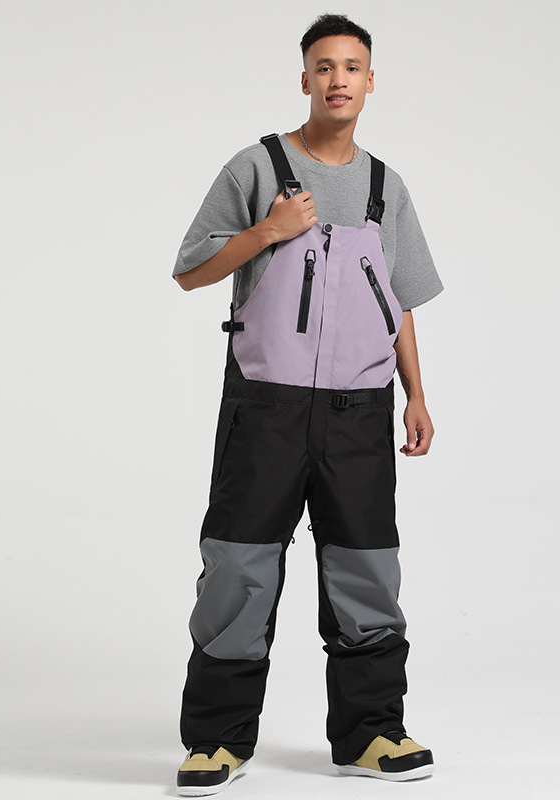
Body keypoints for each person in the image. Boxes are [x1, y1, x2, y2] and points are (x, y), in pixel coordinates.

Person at [170, 14, 443, 796]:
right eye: (324, 66)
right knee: (239, 569)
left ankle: (372, 732)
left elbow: (400, 299)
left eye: (352, 67)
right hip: (267, 406)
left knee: (366, 569)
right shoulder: (256, 167)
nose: (338, 80)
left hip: (361, 408)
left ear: (369, 81)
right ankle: (216, 741)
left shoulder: (386, 187)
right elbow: (190, 270)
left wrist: (417, 393)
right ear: (304, 79)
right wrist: (268, 231)